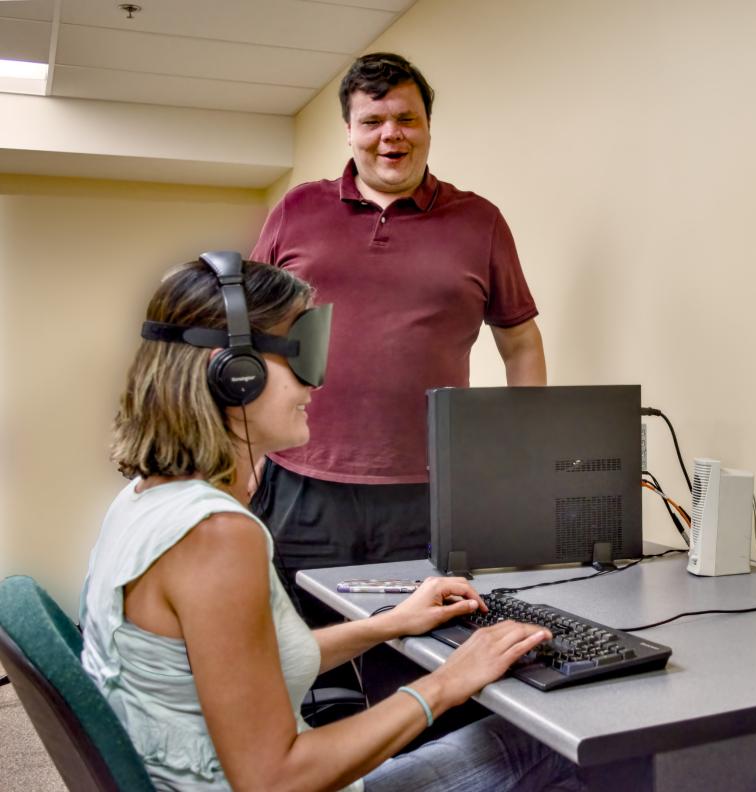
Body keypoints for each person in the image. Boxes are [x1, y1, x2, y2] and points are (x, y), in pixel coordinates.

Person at [79, 255, 582, 791]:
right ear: (234, 376)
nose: (315, 385)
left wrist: (390, 623)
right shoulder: (216, 535)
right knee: (564, 749)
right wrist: (448, 683)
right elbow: (275, 780)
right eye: (298, 359)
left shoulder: (143, 500)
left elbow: (245, 669)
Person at [249, 52, 546, 619]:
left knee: (413, 650)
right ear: (350, 131)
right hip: (300, 476)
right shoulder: (296, 209)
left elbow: (521, 343)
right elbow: (249, 335)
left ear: (428, 127)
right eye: (373, 121)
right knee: (301, 655)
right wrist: (241, 452)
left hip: (429, 491)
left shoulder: (479, 221)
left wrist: (520, 451)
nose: (391, 135)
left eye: (407, 119)